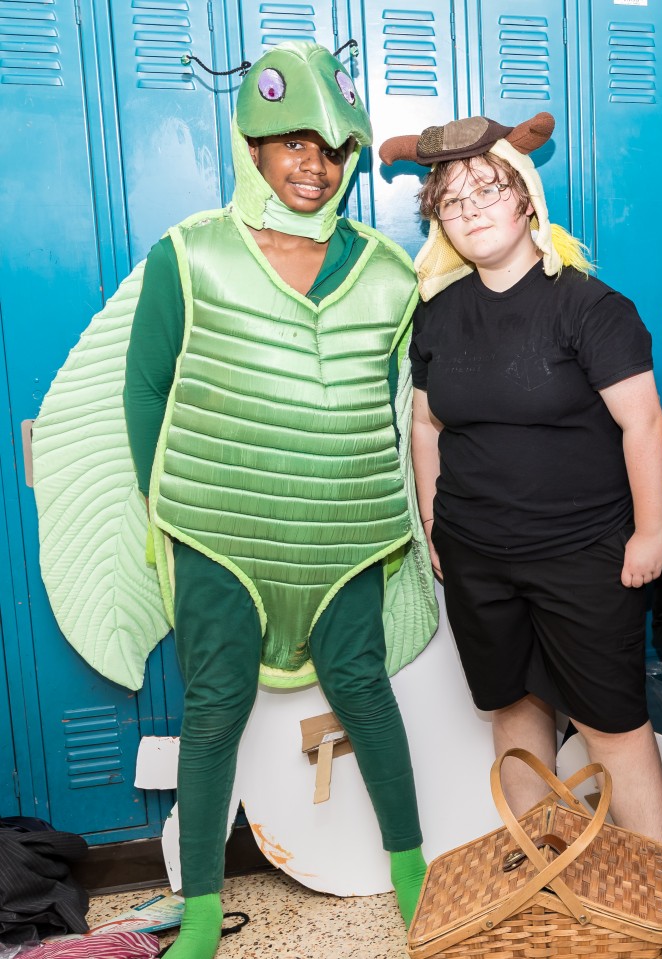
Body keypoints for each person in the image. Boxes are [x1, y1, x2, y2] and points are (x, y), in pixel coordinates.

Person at [120, 42, 434, 958]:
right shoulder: (189, 255)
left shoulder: (386, 270)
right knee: (213, 706)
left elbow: (400, 397)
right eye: (292, 143)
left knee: (366, 693)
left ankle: (412, 868)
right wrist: (167, 510)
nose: (314, 165)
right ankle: (207, 907)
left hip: (345, 535)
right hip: (220, 531)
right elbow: (146, 390)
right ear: (251, 146)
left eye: (332, 149)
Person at [379, 112, 662, 959]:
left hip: (586, 554)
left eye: (490, 189)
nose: (472, 206)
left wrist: (650, 532)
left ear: (527, 201)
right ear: (439, 221)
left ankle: (648, 886)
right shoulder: (438, 315)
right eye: (452, 198)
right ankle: (544, 868)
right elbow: (426, 426)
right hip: (479, 558)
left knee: (611, 724)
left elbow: (643, 424)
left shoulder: (591, 307)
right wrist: (436, 526)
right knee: (514, 711)